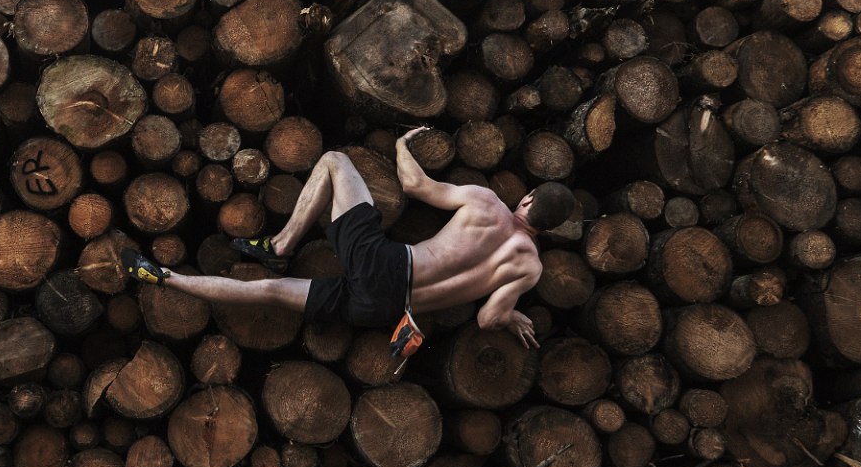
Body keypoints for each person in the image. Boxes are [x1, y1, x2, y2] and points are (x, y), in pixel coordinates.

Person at [123, 127, 575, 355]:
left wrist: (401, 145)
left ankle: (281, 246)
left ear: (528, 197)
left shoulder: (487, 203)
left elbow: (416, 186)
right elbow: (487, 318)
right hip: (386, 311)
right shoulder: (529, 268)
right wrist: (512, 314)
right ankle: (159, 276)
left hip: (386, 264)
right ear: (549, 229)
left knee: (337, 160)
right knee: (267, 293)